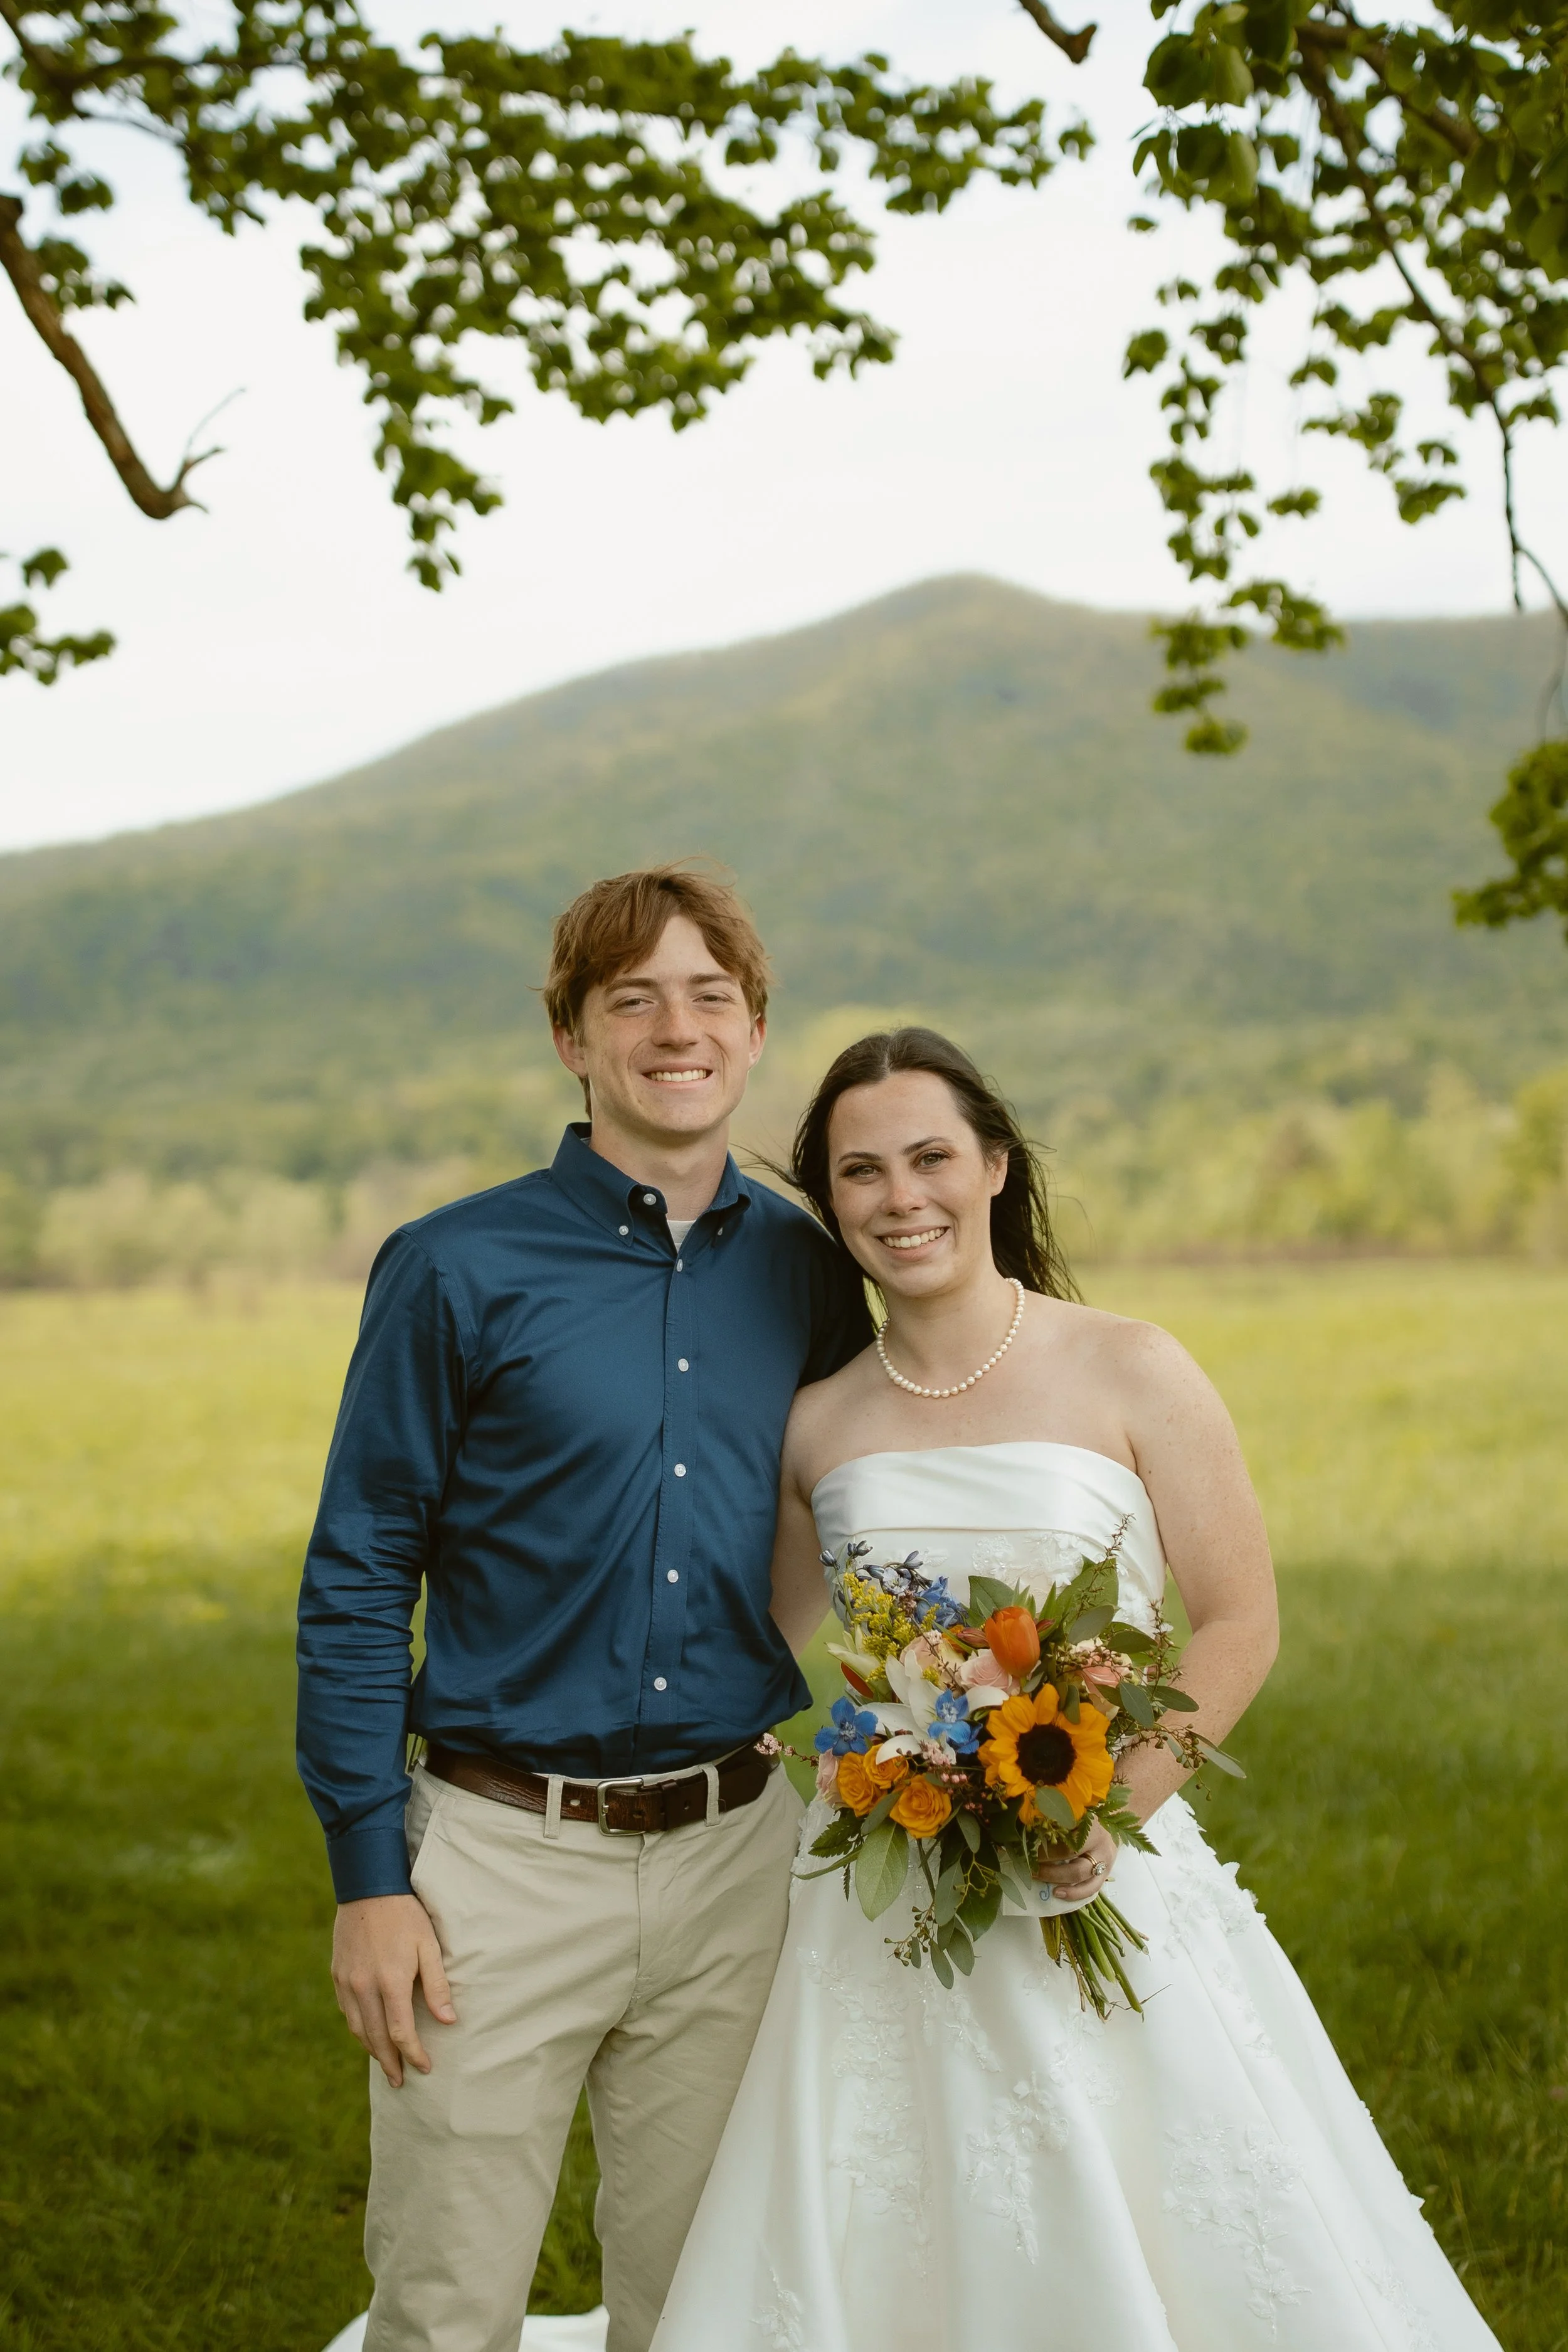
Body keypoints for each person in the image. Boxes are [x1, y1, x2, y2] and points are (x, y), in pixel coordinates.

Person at [650, 1026, 1503, 2351]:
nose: (899, 1197)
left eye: (929, 1157)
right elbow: (760, 1652)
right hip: (896, 1883)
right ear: (833, 1203)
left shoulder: (1131, 1367)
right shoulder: (819, 1421)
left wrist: (1108, 1810)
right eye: (860, 1172)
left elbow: (1236, 1620)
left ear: (993, 1163)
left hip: (1107, 1849)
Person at [295, 866, 873, 2352]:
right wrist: (370, 1878)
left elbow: (827, 1492)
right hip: (491, 1862)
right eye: (632, 999)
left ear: (754, 1034)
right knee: (446, 2300)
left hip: (740, 1854)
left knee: (709, 2302)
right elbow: (361, 1569)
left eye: (709, 997)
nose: (674, 1029)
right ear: (572, 1036)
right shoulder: (453, 1267)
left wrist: (758, 1660)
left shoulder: (812, 1268)